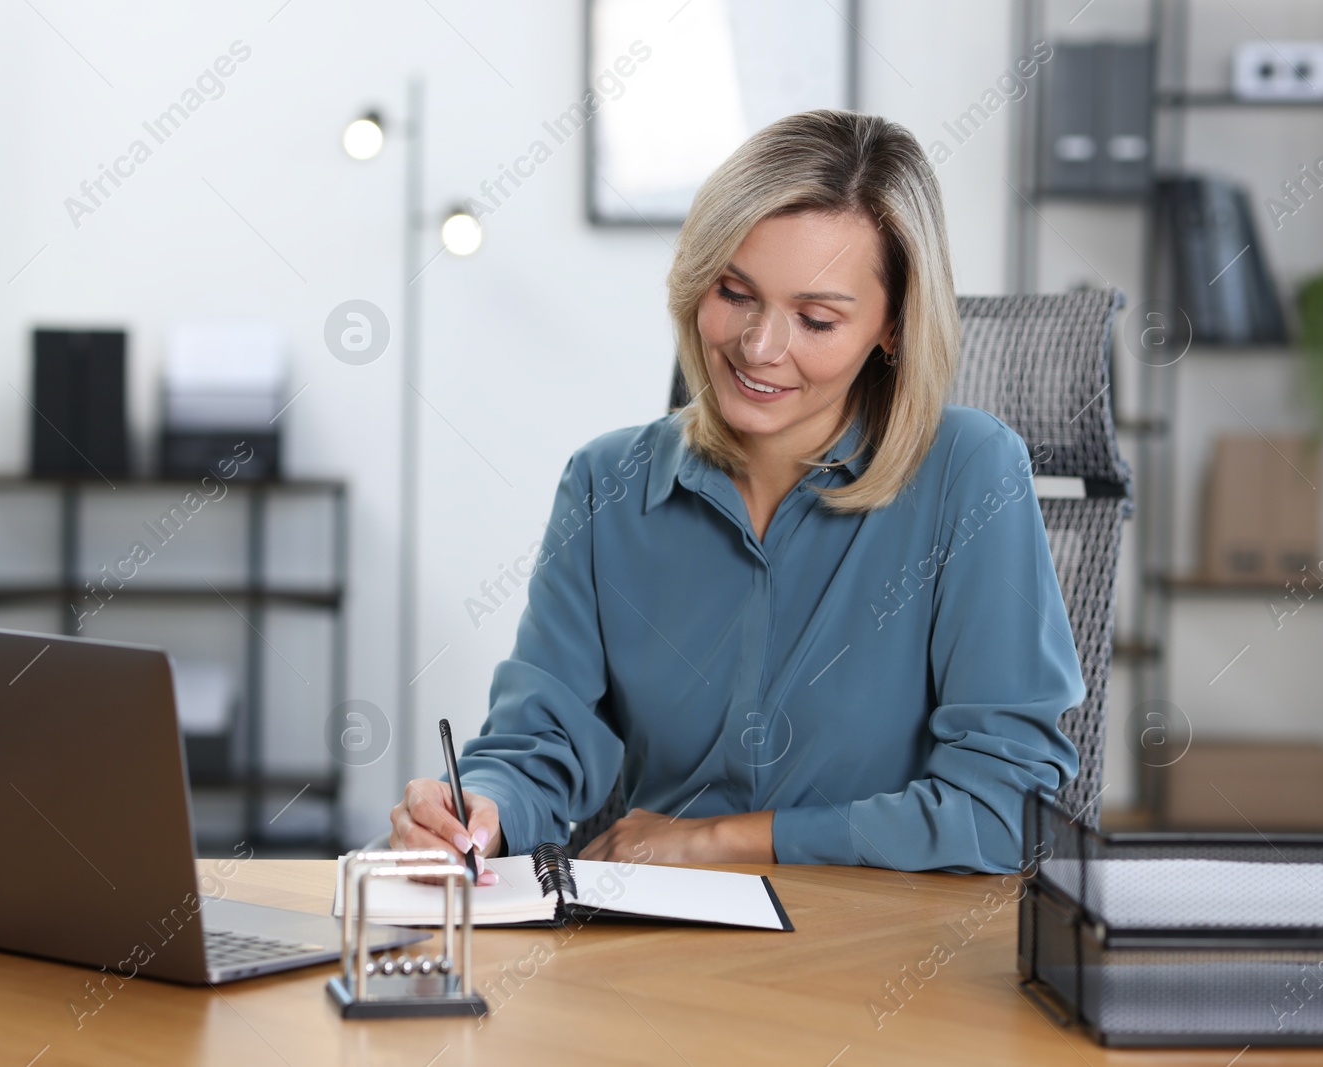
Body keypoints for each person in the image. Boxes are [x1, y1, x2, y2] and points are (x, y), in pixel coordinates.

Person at [389, 108, 1083, 878]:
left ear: (892, 329)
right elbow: (538, 744)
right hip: (661, 953)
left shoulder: (970, 473)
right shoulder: (606, 484)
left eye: (816, 319)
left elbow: (1007, 810)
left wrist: (723, 839)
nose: (759, 347)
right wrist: (479, 807)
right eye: (735, 291)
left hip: (882, 956)